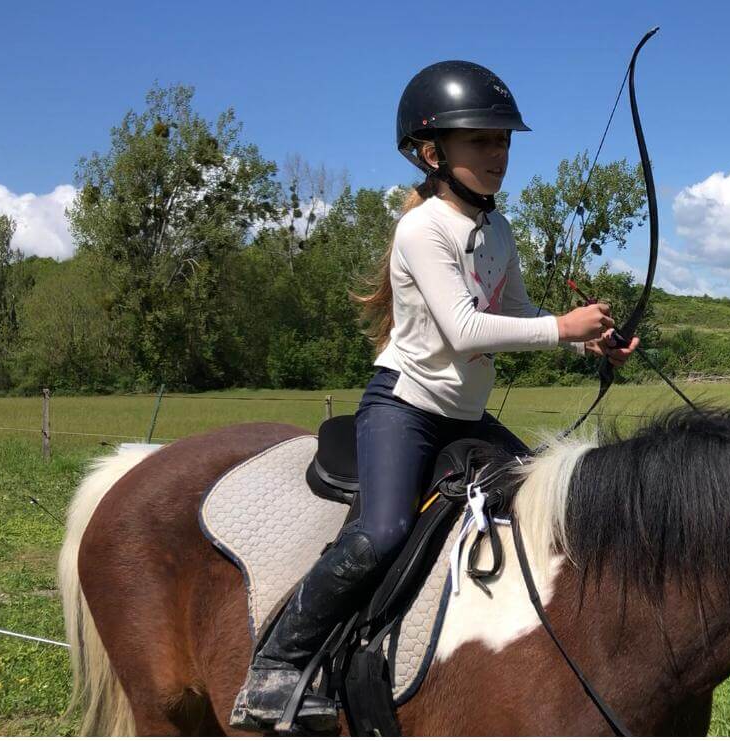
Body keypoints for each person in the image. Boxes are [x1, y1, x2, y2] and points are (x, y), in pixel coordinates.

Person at [230, 59, 639, 733]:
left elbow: (517, 309)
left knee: (549, 501)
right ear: (432, 152)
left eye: (503, 139)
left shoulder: (497, 230)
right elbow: (464, 326)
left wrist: (585, 342)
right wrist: (559, 327)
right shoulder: (423, 230)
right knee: (380, 531)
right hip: (405, 409)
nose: (498, 152)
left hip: (465, 417)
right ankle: (278, 661)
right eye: (481, 140)